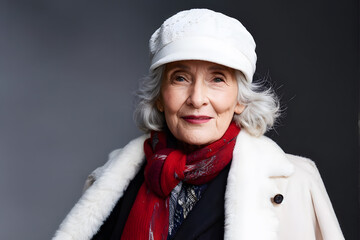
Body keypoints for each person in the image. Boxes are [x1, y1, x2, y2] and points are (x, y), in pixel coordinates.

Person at [53, 9, 344, 240]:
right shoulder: (109, 182)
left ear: (240, 100)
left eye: (217, 79)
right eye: (180, 78)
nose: (197, 98)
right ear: (159, 97)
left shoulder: (295, 183)